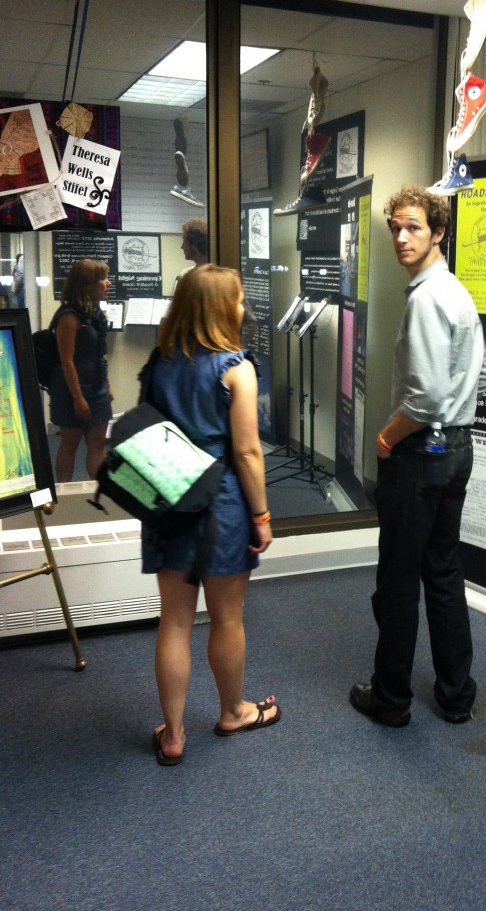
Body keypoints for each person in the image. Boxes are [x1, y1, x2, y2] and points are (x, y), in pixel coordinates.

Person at [350, 185, 486, 728]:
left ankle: (390, 699)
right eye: (395, 228)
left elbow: (426, 397)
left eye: (413, 227)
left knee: (399, 579)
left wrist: (386, 438)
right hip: (456, 448)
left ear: (438, 232)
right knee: (443, 570)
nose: (401, 237)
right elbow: (472, 373)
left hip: (422, 451)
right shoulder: (455, 290)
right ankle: (456, 695)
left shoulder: (428, 297)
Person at [141, 264, 277, 766]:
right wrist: (261, 516)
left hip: (168, 498)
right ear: (221, 307)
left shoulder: (159, 361)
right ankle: (233, 712)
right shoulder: (236, 368)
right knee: (227, 616)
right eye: (238, 299)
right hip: (221, 505)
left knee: (174, 621)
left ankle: (173, 734)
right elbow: (247, 453)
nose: (243, 307)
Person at [49, 259, 113, 482]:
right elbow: (67, 361)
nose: (108, 283)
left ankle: (99, 495)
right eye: (102, 279)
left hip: (96, 389)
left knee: (97, 445)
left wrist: (107, 383)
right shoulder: (68, 316)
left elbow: (99, 353)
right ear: (87, 285)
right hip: (71, 392)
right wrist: (78, 398)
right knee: (69, 443)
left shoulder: (94, 313)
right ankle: (65, 496)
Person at [173, 217, 209, 292]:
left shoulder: (186, 277)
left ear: (194, 245)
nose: (182, 247)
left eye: (184, 241)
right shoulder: (222, 275)